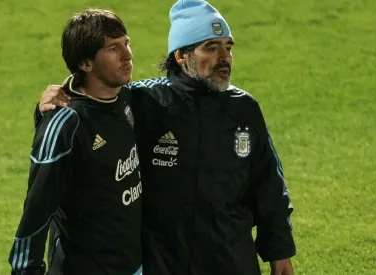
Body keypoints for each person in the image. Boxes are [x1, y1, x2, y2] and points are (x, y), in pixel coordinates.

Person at [38, 1, 295, 274]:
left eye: (228, 47)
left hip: (230, 260)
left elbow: (269, 184)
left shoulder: (244, 108)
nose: (225, 57)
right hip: (162, 263)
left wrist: (279, 252)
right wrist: (57, 100)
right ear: (181, 56)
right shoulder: (145, 101)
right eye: (211, 47)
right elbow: (91, 105)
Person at [8, 9, 143, 275]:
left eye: (127, 43)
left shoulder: (128, 99)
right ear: (85, 62)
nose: (127, 55)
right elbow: (36, 212)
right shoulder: (66, 125)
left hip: (133, 266)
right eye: (113, 48)